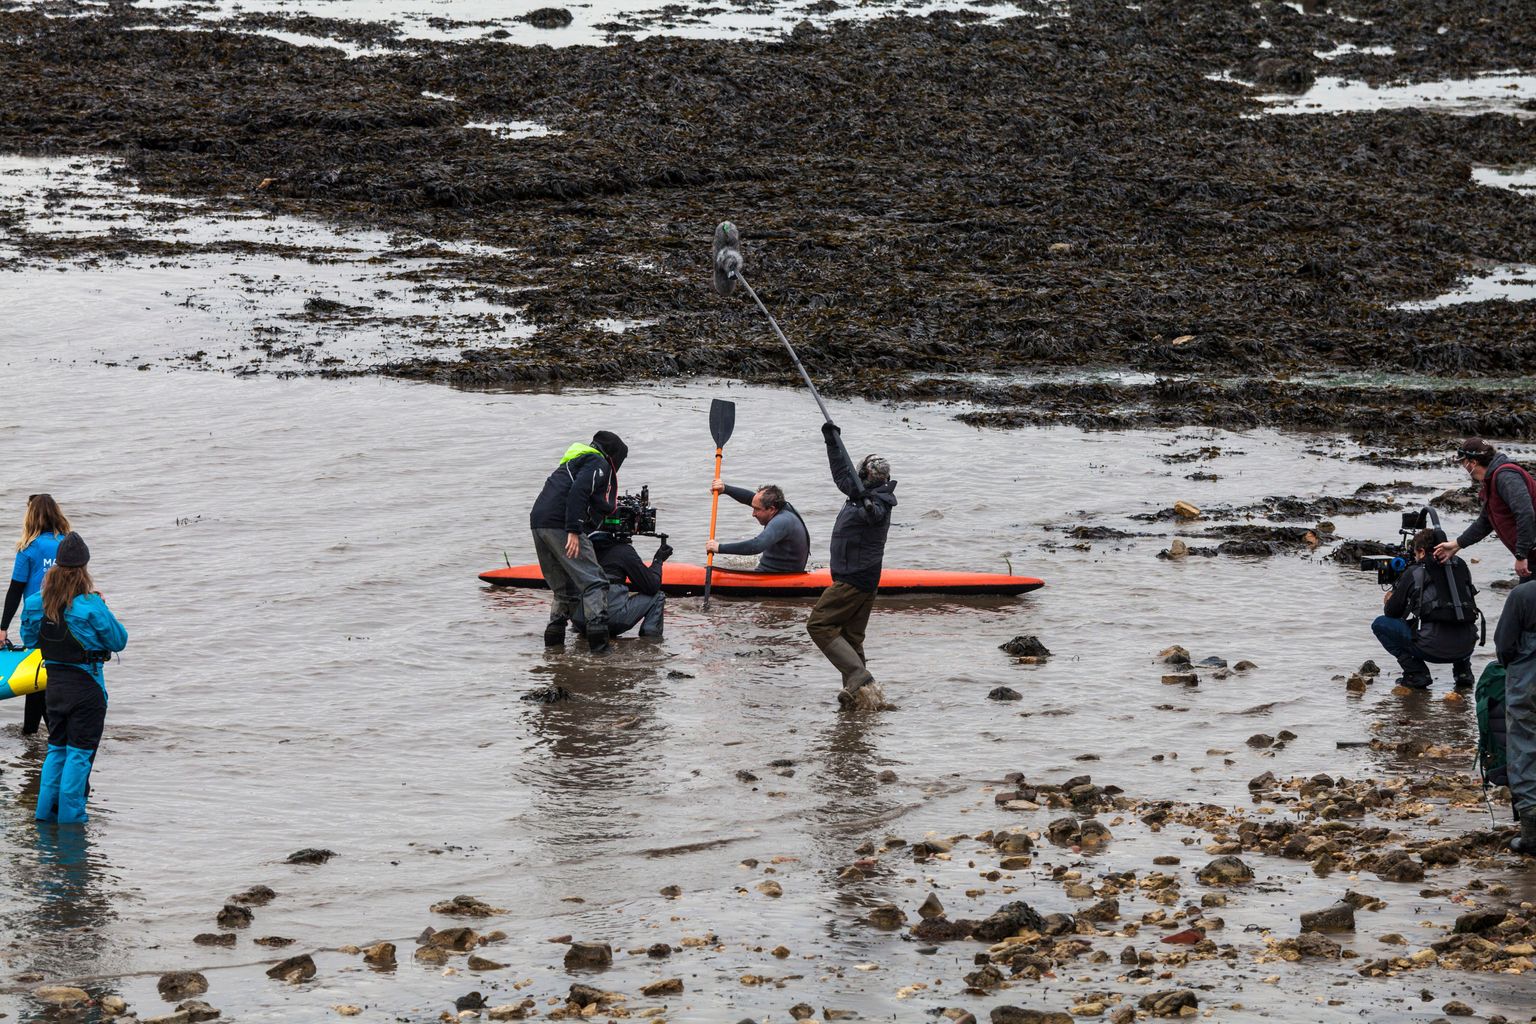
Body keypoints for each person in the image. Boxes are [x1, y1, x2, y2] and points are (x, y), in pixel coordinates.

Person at [21, 533, 127, 825]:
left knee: (56, 750)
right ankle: (71, 825)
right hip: (87, 689)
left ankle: (44, 818)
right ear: (83, 569)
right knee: (79, 756)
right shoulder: (91, 605)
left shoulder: (35, 603)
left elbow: (30, 639)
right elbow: (118, 640)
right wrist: (102, 605)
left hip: (54, 688)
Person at [806, 422, 897, 708]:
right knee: (851, 637)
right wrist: (832, 441)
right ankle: (862, 698)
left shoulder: (878, 502)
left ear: (866, 476)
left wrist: (869, 503)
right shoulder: (859, 493)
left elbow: (876, 515)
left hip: (853, 580)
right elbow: (841, 475)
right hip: (863, 578)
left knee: (819, 624)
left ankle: (858, 675)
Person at [529, 432, 628, 653]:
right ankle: (600, 650)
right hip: (561, 524)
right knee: (595, 582)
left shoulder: (574, 461)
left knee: (564, 590)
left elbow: (568, 491)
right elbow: (579, 491)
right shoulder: (597, 461)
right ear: (614, 455)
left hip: (539, 523)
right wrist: (574, 530)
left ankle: (553, 650)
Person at [1371, 528, 1478, 690]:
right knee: (1458, 615)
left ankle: (1416, 673)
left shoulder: (1415, 571)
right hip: (1467, 646)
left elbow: (1392, 613)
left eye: (1415, 553)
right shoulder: (1460, 565)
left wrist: (1391, 597)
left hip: (1432, 648)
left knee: (1380, 624)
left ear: (1421, 551)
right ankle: (1463, 674)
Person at [1, 493, 70, 735]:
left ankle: (52, 735)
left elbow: (15, 590)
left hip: (37, 623)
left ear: (31, 516)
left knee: (36, 676)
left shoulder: (28, 548)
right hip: (67, 621)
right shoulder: (68, 544)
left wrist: (2, 627)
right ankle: (31, 733)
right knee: (46, 677)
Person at [1435, 438, 1536, 580]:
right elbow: (1485, 521)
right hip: (1530, 556)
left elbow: (1525, 513)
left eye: (1463, 462)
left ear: (1473, 462)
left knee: (1524, 593)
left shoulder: (1506, 476)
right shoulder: (1491, 480)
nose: (1464, 467)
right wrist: (1457, 544)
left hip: (1531, 555)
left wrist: (1521, 555)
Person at [1493, 578, 1536, 855]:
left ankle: (1531, 832)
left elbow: (1504, 645)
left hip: (1527, 679)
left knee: (1524, 744)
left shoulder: (1523, 594)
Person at [571, 530, 673, 639]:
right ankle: (649, 639)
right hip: (611, 621)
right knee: (658, 596)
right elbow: (651, 586)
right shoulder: (623, 551)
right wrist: (658, 560)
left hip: (579, 620)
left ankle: (578, 632)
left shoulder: (578, 547)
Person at [706, 482, 809, 573]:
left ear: (771, 509)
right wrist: (725, 488)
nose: (753, 514)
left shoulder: (782, 521)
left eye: (756, 509)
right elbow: (749, 498)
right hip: (772, 572)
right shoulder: (780, 507)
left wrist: (719, 548)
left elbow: (756, 545)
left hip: (778, 576)